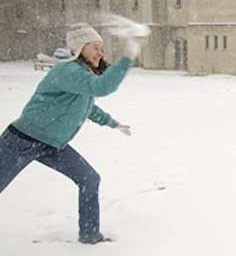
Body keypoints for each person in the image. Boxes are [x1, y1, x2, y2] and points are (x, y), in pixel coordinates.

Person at [0, 22, 140, 244]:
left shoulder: (81, 76)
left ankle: (89, 235)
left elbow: (88, 107)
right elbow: (102, 88)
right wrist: (126, 59)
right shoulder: (68, 71)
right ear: (80, 47)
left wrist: (113, 123)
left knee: (89, 179)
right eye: (95, 47)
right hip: (21, 140)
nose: (100, 53)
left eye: (101, 48)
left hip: (52, 145)